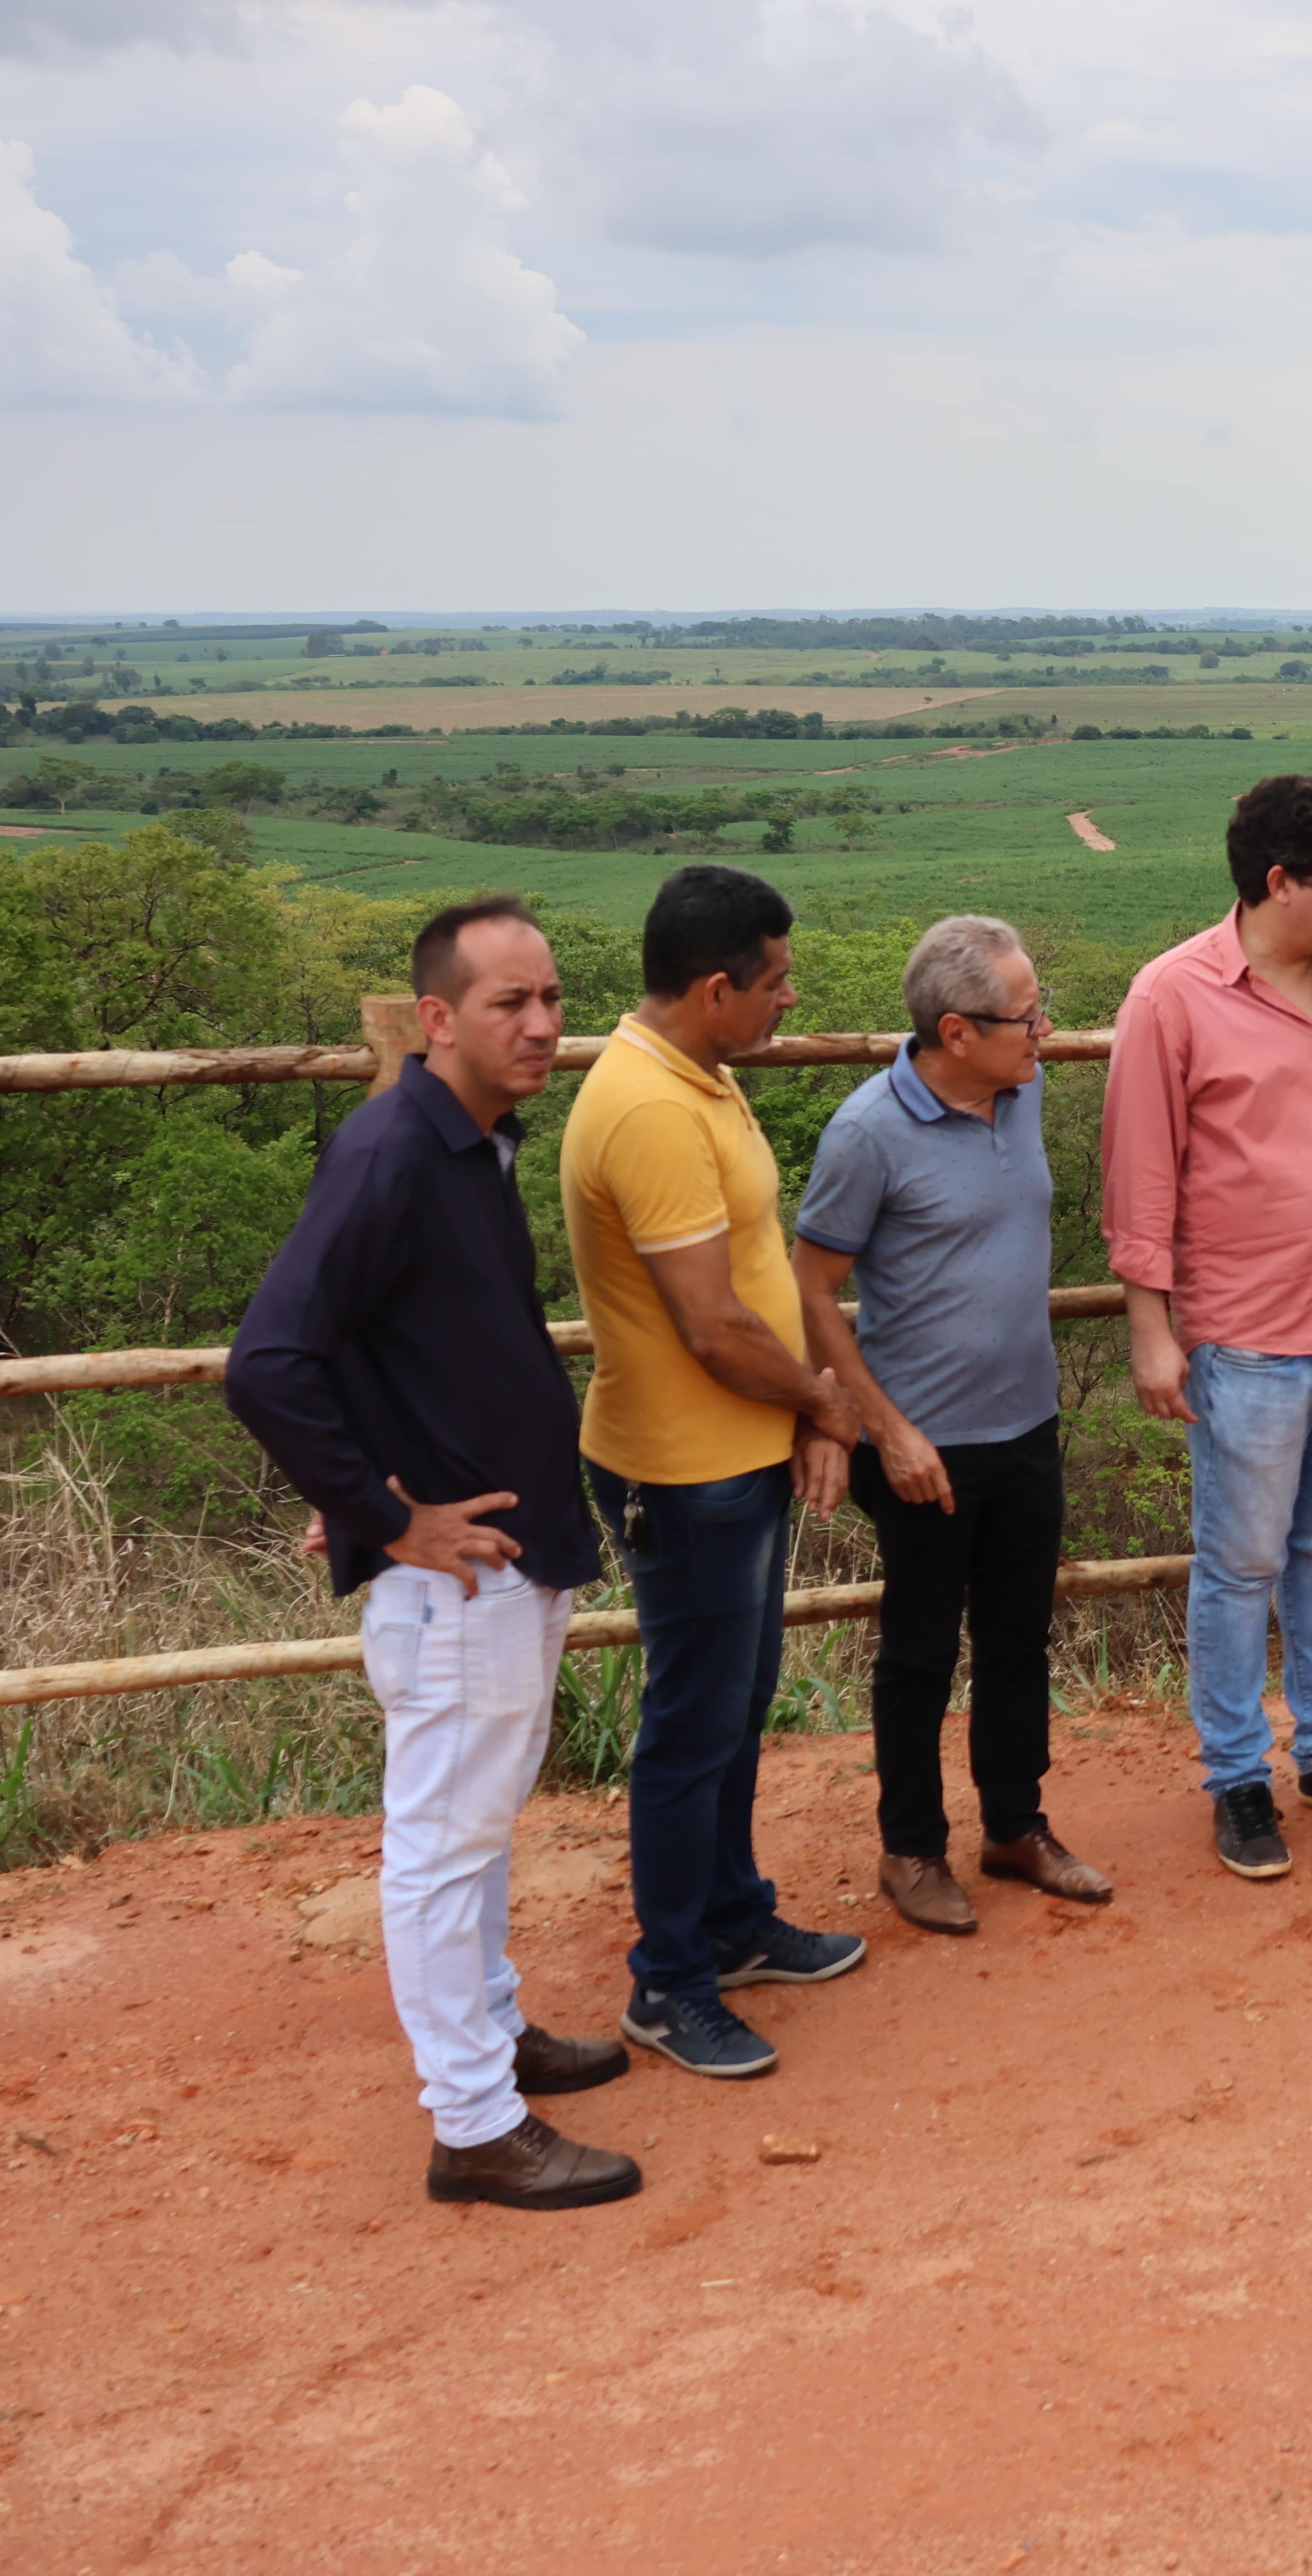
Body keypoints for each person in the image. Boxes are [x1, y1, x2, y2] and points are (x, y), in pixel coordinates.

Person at [226, 897, 639, 2211]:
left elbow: (373, 1343)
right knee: (445, 1841)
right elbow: (269, 1363)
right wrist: (382, 1512)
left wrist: (358, 1478)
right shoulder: (392, 1152)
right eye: (510, 1003)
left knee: (480, 1823)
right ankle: (472, 2119)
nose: (543, 1024)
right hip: (450, 1572)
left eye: (554, 997)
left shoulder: (470, 1140)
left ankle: (494, 2039)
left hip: (494, 1555)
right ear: (436, 1018)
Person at [1102, 774, 1312, 1881]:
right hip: (1248, 1338)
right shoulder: (1171, 998)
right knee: (1240, 1565)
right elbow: (1140, 1176)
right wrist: (1152, 1334)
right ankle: (1239, 1779)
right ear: (1278, 881)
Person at [560, 862, 869, 2080]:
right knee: (691, 1726)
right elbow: (712, 1323)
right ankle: (669, 1980)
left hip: (738, 1450)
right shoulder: (646, 1109)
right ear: (713, 986)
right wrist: (827, 1402)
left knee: (737, 1704)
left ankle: (733, 1921)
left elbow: (748, 1285)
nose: (790, 998)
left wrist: (797, 1418)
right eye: (777, 978)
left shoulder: (703, 1079)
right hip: (681, 1470)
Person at [791, 915, 1113, 1937]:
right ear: (955, 1031)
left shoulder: (1021, 1093)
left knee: (1019, 1636)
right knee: (922, 1649)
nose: (1045, 1031)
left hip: (1027, 1423)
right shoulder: (866, 1134)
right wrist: (880, 1426)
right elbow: (809, 1285)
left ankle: (1016, 1827)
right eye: (1025, 1016)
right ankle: (911, 1849)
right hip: (924, 1441)